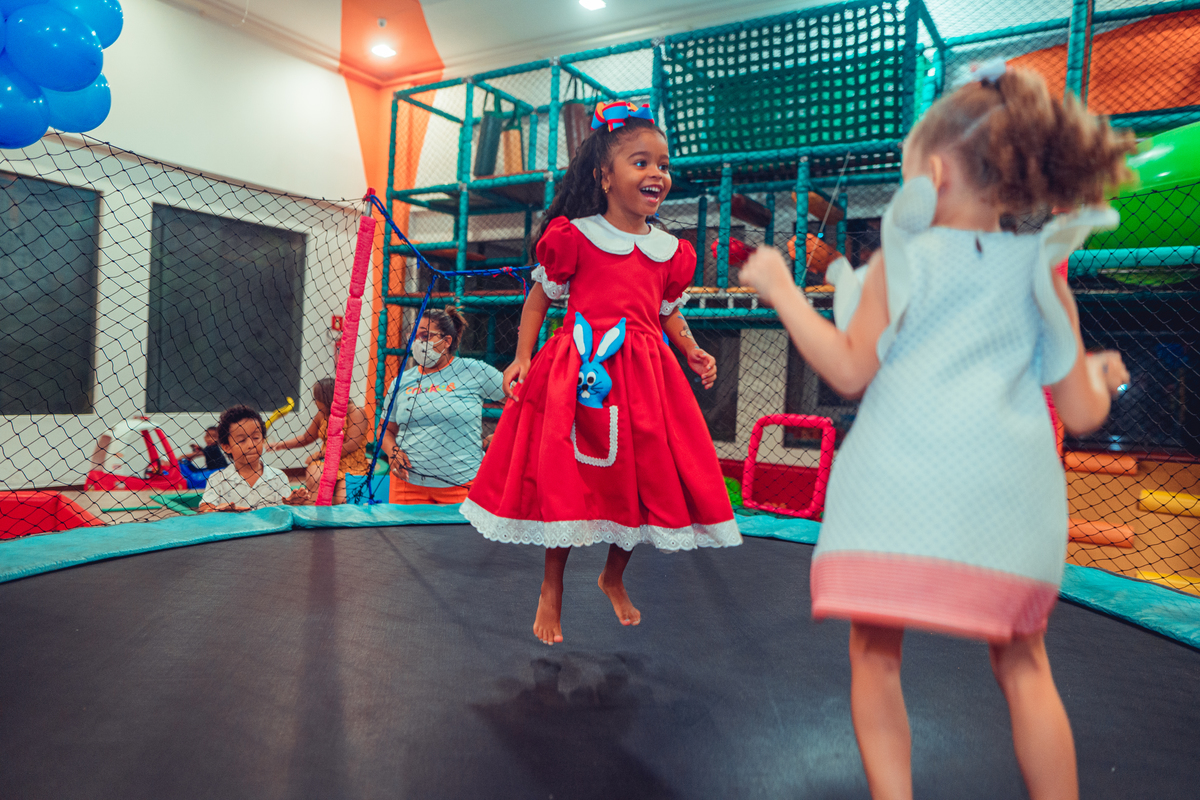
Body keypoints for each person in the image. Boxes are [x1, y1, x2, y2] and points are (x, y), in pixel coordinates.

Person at [738, 63, 1134, 800]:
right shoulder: (1047, 270)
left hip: (898, 498)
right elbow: (1081, 413)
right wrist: (1105, 373)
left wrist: (783, 289)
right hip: (1009, 507)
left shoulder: (905, 258)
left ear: (939, 173)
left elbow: (849, 369)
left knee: (874, 655)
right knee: (1024, 665)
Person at [461, 100, 742, 646]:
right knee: (564, 478)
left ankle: (613, 573)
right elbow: (539, 300)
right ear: (605, 176)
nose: (656, 172)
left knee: (641, 480)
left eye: (662, 163)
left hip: (643, 378)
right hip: (578, 370)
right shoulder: (576, 237)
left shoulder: (669, 251)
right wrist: (521, 357)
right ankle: (551, 585)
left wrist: (691, 350)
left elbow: (666, 310)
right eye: (641, 162)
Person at [380, 306, 505, 504]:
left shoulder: (474, 371)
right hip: (407, 487)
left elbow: (521, 400)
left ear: (446, 341)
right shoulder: (402, 381)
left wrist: (504, 435)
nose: (419, 342)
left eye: (426, 335)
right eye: (415, 336)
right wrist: (392, 451)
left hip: (464, 486)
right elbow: (385, 430)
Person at [266, 378, 370, 504]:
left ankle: (307, 505)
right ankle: (311, 510)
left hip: (351, 464)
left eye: (317, 399)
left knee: (342, 500)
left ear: (327, 399)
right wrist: (280, 445)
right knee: (317, 479)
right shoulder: (323, 414)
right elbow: (306, 438)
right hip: (326, 462)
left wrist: (318, 455)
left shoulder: (355, 412)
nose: (315, 403)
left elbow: (351, 445)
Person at [199, 405, 309, 512]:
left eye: (256, 438)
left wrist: (291, 505)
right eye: (242, 440)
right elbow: (204, 507)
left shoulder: (278, 477)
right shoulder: (218, 479)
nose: (251, 444)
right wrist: (218, 509)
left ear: (263, 440)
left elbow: (284, 510)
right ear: (227, 447)